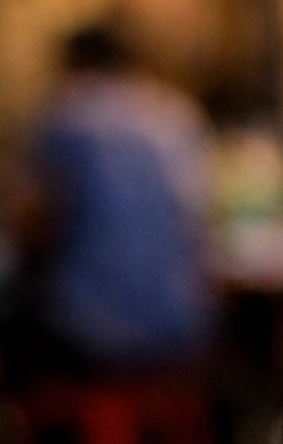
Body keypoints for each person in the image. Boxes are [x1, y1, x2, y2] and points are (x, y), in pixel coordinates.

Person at [26, 23, 216, 370]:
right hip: (182, 321)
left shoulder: (68, 114)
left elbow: (38, 221)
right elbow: (199, 215)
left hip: (93, 327)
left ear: (74, 63)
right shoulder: (175, 113)